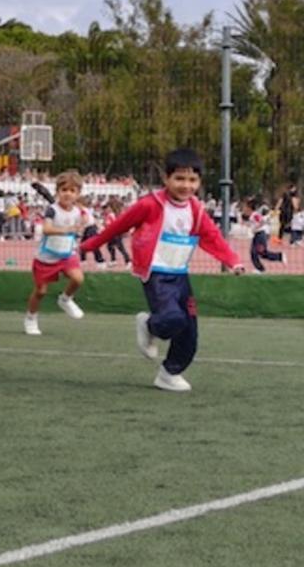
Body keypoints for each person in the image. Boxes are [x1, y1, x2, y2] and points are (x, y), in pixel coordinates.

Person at [80, 149, 244, 392]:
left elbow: (213, 237)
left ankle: (169, 373)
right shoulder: (150, 205)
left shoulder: (197, 210)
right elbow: (118, 226)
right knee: (172, 318)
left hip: (180, 276)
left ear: (199, 182)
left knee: (189, 333)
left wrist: (232, 261)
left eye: (192, 180)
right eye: (179, 178)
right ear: (166, 179)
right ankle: (148, 325)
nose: (186, 185)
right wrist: (89, 245)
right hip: (156, 274)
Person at [24, 171, 89, 336]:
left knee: (78, 278)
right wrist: (66, 229)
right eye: (64, 190)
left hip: (66, 254)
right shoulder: (51, 210)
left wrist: (81, 226)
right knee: (41, 292)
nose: (67, 194)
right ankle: (31, 317)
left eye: (72, 191)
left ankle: (65, 299)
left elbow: (79, 227)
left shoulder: (77, 211)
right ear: (58, 192)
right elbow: (46, 229)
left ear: (78, 194)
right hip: (46, 257)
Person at [248, 202, 284, 272]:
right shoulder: (253, 215)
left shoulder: (254, 214)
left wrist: (255, 228)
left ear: (249, 208)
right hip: (257, 235)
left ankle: (261, 268)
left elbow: (261, 221)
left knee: (259, 252)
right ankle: (279, 257)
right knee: (255, 252)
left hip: (260, 235)